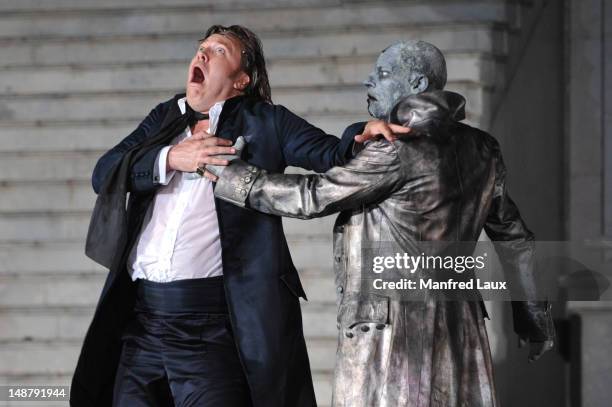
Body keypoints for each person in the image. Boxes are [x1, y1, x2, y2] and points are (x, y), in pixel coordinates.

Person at [70, 25, 407, 407]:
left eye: (218, 50)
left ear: (241, 80)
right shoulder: (164, 117)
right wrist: (172, 157)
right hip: (142, 323)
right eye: (200, 49)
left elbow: (332, 154)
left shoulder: (267, 121)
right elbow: (105, 173)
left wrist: (362, 132)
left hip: (211, 327)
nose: (202, 55)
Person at [211, 40, 556, 407]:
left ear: (419, 85)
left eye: (384, 74)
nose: (368, 81)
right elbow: (514, 236)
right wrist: (531, 309)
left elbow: (313, 196)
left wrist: (231, 175)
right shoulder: (483, 149)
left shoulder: (398, 146)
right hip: (460, 328)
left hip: (394, 336)